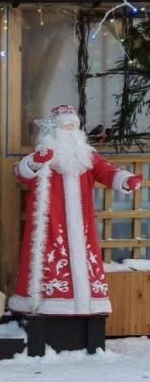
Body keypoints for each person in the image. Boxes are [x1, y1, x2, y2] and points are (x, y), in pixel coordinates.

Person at [10, 104, 143, 315]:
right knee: (48, 257)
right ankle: (45, 304)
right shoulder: (44, 154)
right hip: (50, 223)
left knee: (84, 258)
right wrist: (35, 162)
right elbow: (20, 173)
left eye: (73, 126)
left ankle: (85, 304)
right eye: (65, 126)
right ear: (55, 129)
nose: (70, 130)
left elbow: (106, 171)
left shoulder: (87, 156)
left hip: (81, 225)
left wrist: (125, 180)